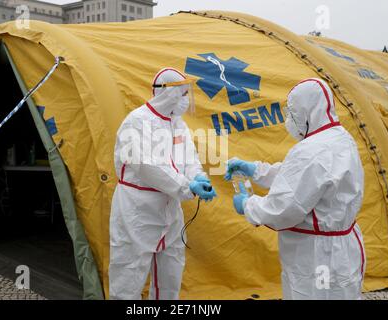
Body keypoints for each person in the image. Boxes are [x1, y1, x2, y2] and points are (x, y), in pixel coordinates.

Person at [226, 78, 365, 300]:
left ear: (307, 110)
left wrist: (248, 204)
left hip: (317, 255)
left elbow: (283, 208)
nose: (289, 119)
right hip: (341, 248)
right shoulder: (340, 138)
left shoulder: (311, 150)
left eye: (292, 112)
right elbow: (306, 179)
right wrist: (256, 171)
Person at [109, 67, 217, 300]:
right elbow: (148, 166)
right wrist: (186, 187)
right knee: (129, 273)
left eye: (188, 94)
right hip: (138, 210)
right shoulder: (136, 122)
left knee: (171, 271)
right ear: (167, 93)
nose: (186, 100)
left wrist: (199, 177)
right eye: (183, 94)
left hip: (170, 209)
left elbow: (190, 158)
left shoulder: (178, 124)